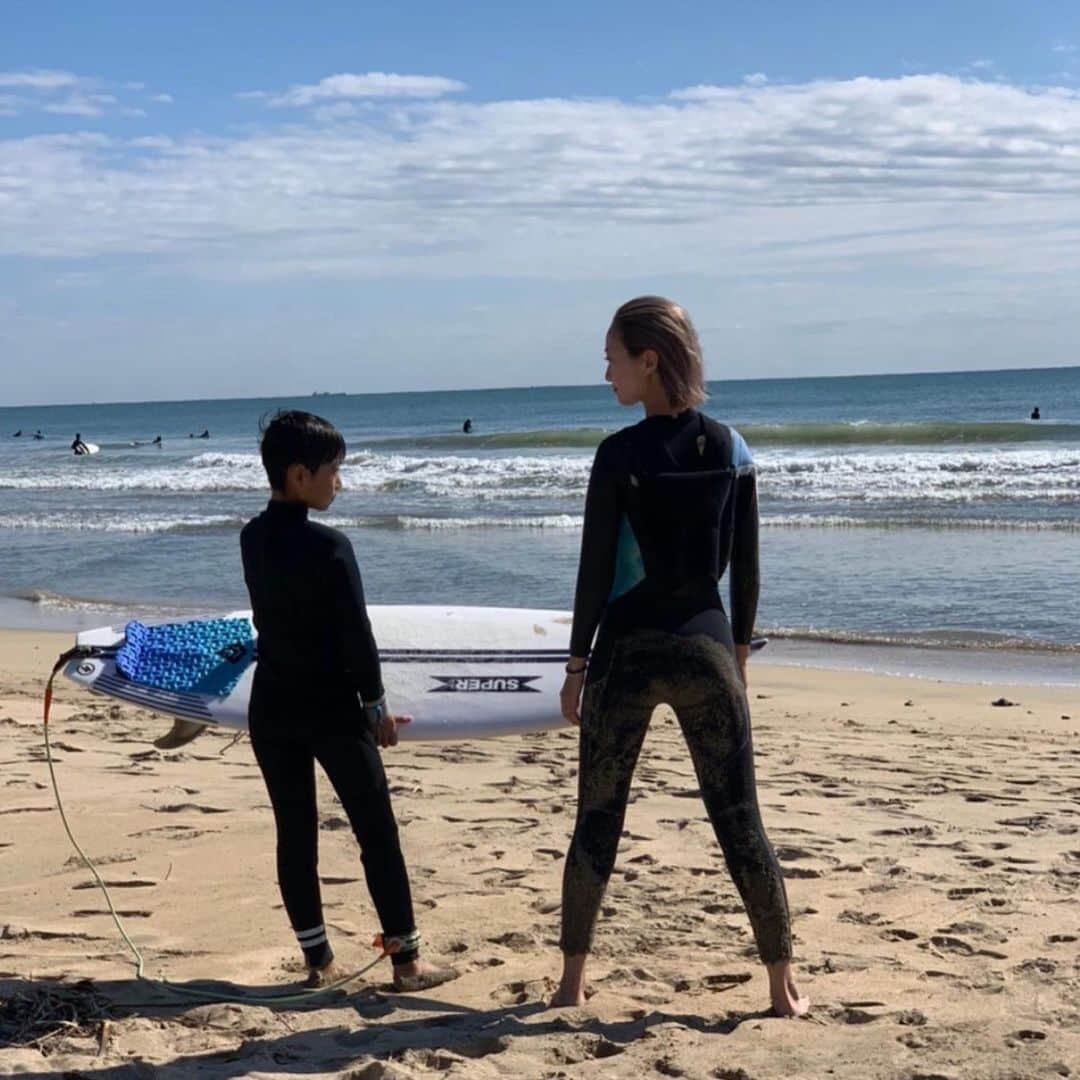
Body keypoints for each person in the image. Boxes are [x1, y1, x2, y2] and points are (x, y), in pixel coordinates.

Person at [551, 297, 808, 1017]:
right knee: (739, 818)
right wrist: (738, 657)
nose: (605, 372)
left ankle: (571, 983)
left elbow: (596, 572)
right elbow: (747, 571)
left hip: (625, 657)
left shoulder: (616, 455)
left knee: (597, 817)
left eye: (612, 356)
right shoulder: (732, 447)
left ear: (649, 358)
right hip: (705, 653)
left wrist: (577, 667)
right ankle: (781, 986)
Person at [240, 410, 456, 992]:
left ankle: (320, 964)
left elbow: (281, 621)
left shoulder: (252, 537)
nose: (340, 481)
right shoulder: (330, 546)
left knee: (296, 832)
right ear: (299, 474)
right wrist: (375, 706)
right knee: (376, 832)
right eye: (334, 470)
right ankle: (407, 964)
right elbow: (355, 634)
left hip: (273, 707)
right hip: (331, 707)